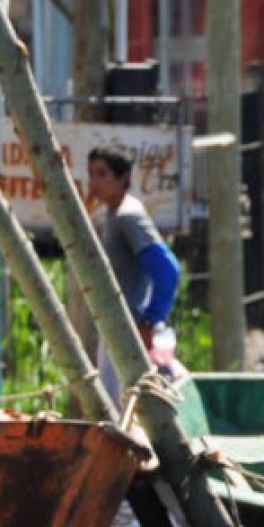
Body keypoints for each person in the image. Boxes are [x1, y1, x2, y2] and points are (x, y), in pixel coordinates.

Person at [85, 147, 184, 383]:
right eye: (91, 174)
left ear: (124, 178)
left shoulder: (127, 216)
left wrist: (150, 321)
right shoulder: (112, 214)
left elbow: (167, 270)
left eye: (102, 174)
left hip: (130, 329)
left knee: (121, 408)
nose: (94, 182)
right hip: (117, 326)